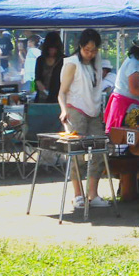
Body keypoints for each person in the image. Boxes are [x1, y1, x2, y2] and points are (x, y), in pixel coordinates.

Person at [56, 29, 109, 209]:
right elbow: (61, 93)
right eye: (87, 49)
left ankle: (92, 194)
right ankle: (78, 195)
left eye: (94, 50)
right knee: (77, 154)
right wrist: (64, 111)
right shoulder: (72, 64)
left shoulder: (97, 62)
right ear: (80, 46)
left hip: (93, 112)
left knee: (100, 151)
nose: (90, 53)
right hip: (75, 110)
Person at [34, 32, 64, 103]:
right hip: (42, 98)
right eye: (50, 48)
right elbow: (37, 78)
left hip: (59, 99)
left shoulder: (64, 60)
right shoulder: (40, 60)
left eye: (55, 48)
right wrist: (39, 84)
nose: (52, 51)